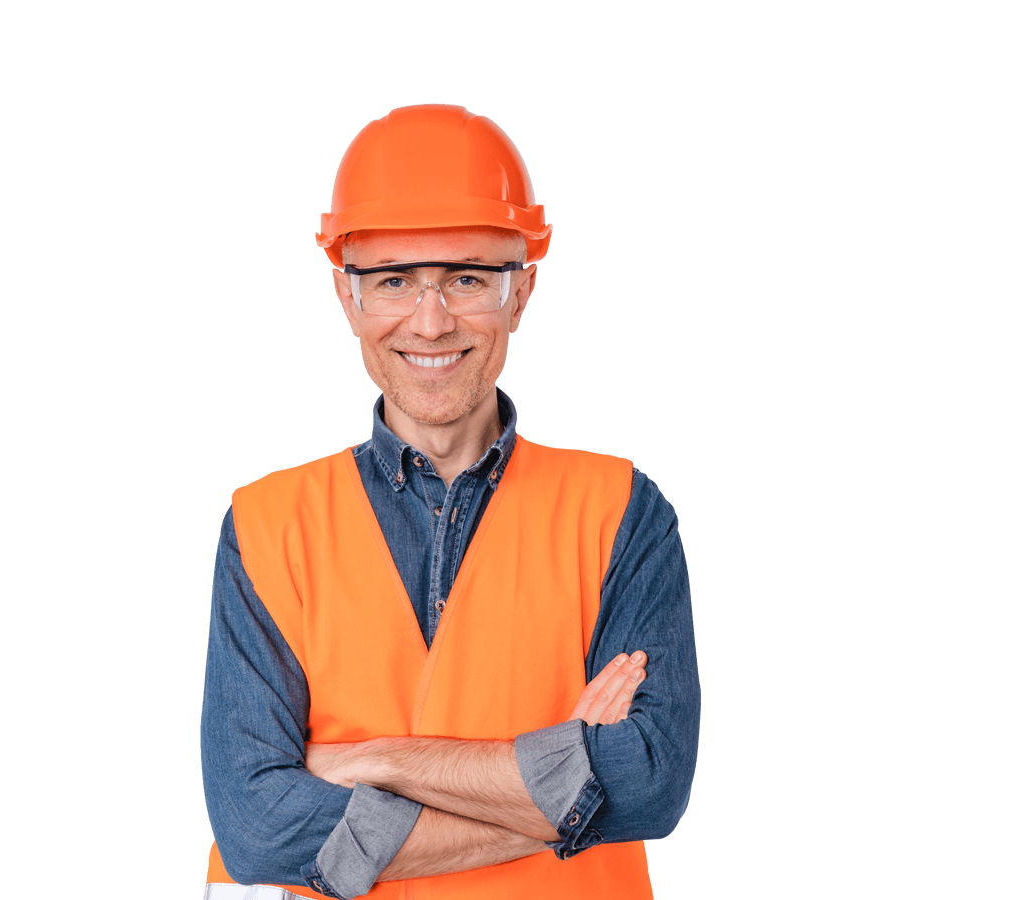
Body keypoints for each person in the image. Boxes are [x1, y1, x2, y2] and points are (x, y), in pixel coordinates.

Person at [201, 103, 700, 900]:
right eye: (394, 279)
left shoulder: (621, 510)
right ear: (347, 297)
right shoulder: (266, 524)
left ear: (522, 291)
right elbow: (257, 825)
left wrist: (378, 760)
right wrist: (561, 802)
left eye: (468, 278)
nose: (431, 322)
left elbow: (649, 784)